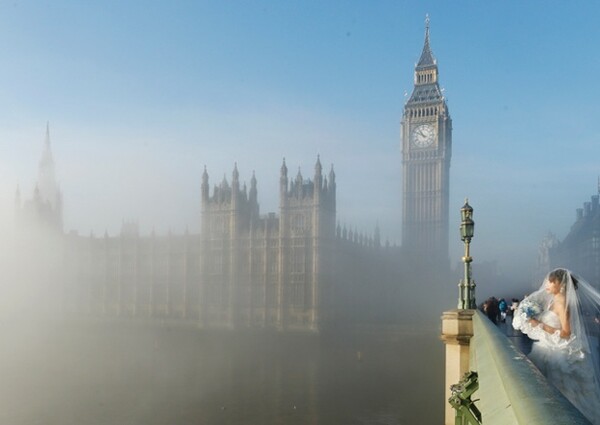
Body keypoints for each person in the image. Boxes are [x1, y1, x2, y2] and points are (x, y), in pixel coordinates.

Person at [512, 268, 600, 424]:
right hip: (549, 348)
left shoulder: (563, 303)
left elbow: (566, 332)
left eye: (551, 282)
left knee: (563, 395)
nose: (547, 284)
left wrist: (538, 323)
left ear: (561, 284)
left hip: (560, 353)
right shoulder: (553, 300)